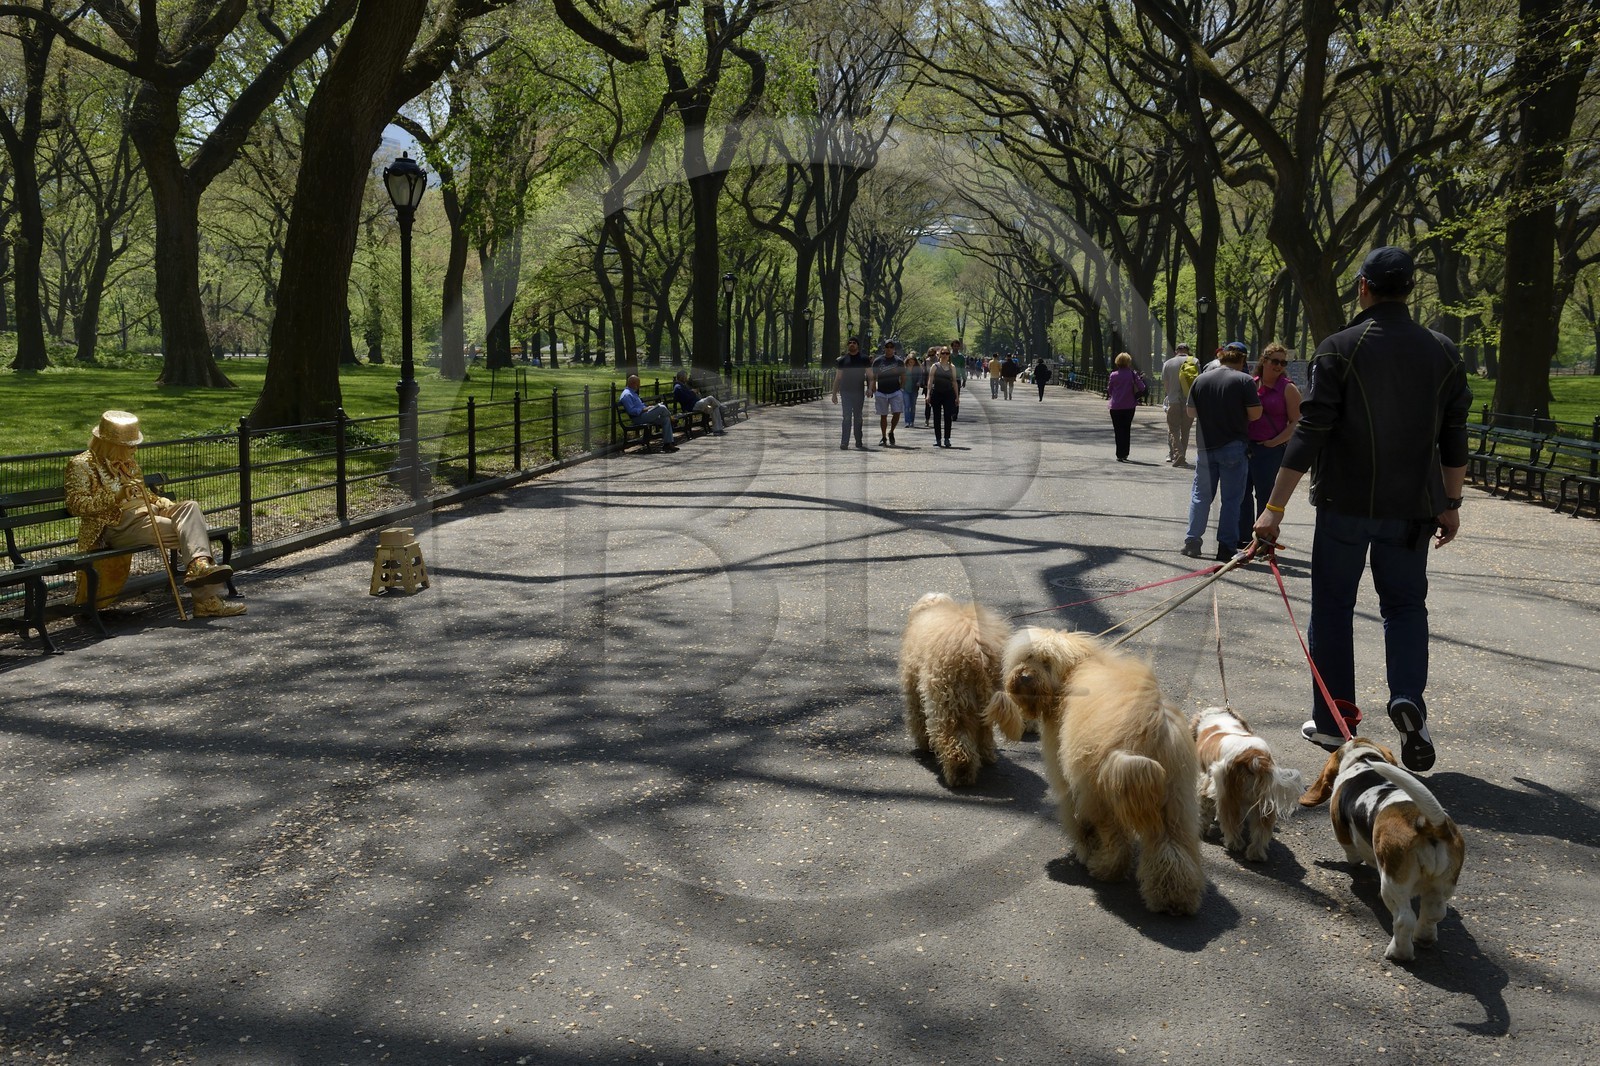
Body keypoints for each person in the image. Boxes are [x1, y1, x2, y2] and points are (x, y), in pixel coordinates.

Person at [1253, 247, 1471, 772]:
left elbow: (1311, 432)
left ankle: (1334, 719)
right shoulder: (1442, 352)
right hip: (1412, 509)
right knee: (1404, 607)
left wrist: (1273, 507)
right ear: (1409, 289)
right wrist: (1453, 502)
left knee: (1332, 607)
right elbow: (1455, 433)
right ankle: (1407, 700)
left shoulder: (1339, 348)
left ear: (1363, 287)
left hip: (1344, 504)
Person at [64, 410, 245, 618]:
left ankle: (200, 566)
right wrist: (116, 495)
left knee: (190, 507)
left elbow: (144, 492)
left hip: (150, 513)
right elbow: (76, 505)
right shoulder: (81, 465)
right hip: (118, 523)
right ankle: (207, 601)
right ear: (111, 444)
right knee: (192, 536)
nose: (134, 449)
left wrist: (159, 500)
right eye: (129, 445)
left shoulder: (128, 462)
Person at [1181, 342, 1261, 559]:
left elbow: (1190, 412)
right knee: (1232, 499)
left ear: (1221, 359)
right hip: (1234, 446)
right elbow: (1255, 414)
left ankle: (1192, 542)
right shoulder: (1244, 380)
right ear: (1241, 361)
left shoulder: (1201, 379)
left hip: (1206, 446)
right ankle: (1225, 546)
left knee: (1200, 496)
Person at [1235, 342, 1300, 539]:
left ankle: (1264, 540)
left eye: (1283, 362)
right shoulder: (1251, 384)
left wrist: (1275, 442)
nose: (1279, 366)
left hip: (1271, 451)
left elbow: (1297, 421)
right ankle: (1244, 538)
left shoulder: (1288, 389)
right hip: (1247, 447)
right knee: (1242, 494)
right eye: (1275, 361)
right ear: (1264, 360)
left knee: (1265, 496)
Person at [1160, 342, 1199, 467]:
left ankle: (1178, 453)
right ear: (1188, 351)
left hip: (1174, 400)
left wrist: (1170, 394)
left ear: (1176, 351)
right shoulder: (1195, 361)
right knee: (1185, 430)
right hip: (1190, 402)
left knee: (1173, 429)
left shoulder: (1168, 363)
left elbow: (1166, 384)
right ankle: (1183, 454)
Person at [831, 337, 872, 450]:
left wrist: (870, 388)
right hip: (846, 392)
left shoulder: (864, 359)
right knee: (847, 417)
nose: (852, 344)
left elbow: (870, 376)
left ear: (857, 345)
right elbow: (838, 378)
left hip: (858, 392)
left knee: (858, 417)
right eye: (850, 343)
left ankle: (858, 440)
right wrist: (834, 393)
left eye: (854, 343)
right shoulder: (842, 360)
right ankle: (844, 442)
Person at [620, 374, 679, 452]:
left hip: (644, 414)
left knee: (665, 419)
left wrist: (649, 408)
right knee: (662, 407)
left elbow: (640, 406)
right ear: (632, 383)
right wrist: (644, 409)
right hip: (638, 418)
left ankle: (668, 444)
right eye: (638, 384)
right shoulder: (627, 395)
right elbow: (631, 411)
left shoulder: (633, 393)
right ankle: (672, 419)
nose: (639, 386)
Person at [1105, 352, 1144, 462]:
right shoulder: (1132, 374)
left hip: (1115, 406)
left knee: (1118, 430)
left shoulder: (1113, 375)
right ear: (1128, 362)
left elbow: (1110, 390)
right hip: (1129, 405)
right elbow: (1142, 387)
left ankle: (1119, 453)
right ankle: (1125, 453)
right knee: (1126, 429)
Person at [872, 340, 906, 446]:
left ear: (894, 349)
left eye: (891, 347)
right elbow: (873, 376)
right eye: (887, 347)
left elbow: (903, 376)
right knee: (883, 415)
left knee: (897, 412)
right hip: (882, 391)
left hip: (895, 390)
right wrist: (873, 387)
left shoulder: (899, 361)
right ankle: (883, 437)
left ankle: (891, 431)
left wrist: (901, 388)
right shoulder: (878, 361)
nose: (889, 349)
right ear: (884, 348)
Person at [926, 345, 961, 448]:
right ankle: (938, 439)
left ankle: (947, 438)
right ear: (939, 354)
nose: (945, 355)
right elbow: (930, 381)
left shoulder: (952, 367)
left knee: (947, 416)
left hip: (948, 393)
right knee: (936, 417)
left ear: (949, 355)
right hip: (936, 393)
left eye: (947, 353)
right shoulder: (935, 366)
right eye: (943, 353)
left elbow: (954, 382)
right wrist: (928, 394)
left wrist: (957, 397)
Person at [671, 371, 726, 435]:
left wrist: (693, 392)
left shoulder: (682, 386)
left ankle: (718, 430)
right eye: (685, 377)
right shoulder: (678, 387)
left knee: (714, 408)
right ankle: (720, 406)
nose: (687, 378)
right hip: (692, 406)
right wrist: (693, 392)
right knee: (710, 398)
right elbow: (685, 398)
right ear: (681, 377)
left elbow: (688, 394)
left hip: (697, 404)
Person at [902, 355, 923, 429]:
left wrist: (919, 382)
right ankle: (907, 422)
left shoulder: (917, 369)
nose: (911, 362)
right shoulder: (904, 368)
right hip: (905, 389)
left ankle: (912, 421)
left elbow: (920, 377)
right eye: (910, 361)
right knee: (906, 406)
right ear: (907, 360)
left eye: (913, 361)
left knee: (913, 406)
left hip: (914, 389)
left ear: (915, 361)